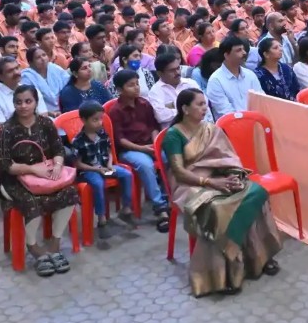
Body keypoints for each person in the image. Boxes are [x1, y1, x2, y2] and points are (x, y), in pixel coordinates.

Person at [162, 88, 283, 297]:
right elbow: (179, 172)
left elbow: (227, 158)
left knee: (256, 193)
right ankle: (224, 275)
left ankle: (260, 258)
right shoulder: (174, 135)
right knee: (218, 208)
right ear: (185, 109)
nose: (204, 108)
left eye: (205, 103)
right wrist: (212, 183)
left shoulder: (210, 129)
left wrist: (233, 176)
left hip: (219, 177)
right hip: (190, 185)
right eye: (199, 104)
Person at [0, 84, 80, 277]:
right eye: (18, 102)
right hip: (14, 180)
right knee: (31, 201)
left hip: (46, 176)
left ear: (36, 102)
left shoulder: (45, 123)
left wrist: (57, 165)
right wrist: (32, 169)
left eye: (28, 101)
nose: (23, 106)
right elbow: (4, 164)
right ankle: (33, 246)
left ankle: (55, 243)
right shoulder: (7, 130)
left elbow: (58, 149)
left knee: (69, 192)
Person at [108, 69, 171, 231]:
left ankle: (167, 197)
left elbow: (153, 127)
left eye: (137, 84)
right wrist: (142, 149)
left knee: (167, 157)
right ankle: (160, 208)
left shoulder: (144, 104)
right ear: (120, 90)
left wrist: (155, 143)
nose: (136, 88)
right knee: (145, 165)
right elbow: (120, 140)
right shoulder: (115, 111)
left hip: (149, 145)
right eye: (131, 85)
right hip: (129, 150)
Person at [68, 100, 136, 247]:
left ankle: (126, 209)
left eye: (101, 119)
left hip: (105, 166)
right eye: (95, 120)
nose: (99, 122)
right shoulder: (78, 141)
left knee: (127, 175)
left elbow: (109, 151)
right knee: (98, 184)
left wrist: (110, 164)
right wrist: (97, 169)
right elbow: (78, 164)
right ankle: (101, 219)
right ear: (84, 120)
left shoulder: (102, 133)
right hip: (88, 171)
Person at [205, 36, 265, 118]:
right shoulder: (215, 80)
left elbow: (261, 100)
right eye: (239, 50)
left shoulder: (250, 75)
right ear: (226, 55)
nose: (244, 53)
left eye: (243, 49)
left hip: (255, 121)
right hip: (231, 124)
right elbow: (226, 112)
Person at [146, 51, 206, 128]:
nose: (177, 72)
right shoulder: (155, 92)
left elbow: (204, 104)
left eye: (178, 68)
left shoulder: (190, 83)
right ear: (160, 73)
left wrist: (178, 109)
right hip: (175, 132)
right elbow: (161, 116)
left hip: (201, 127)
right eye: (172, 70)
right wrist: (190, 109)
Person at [0, 56, 47, 129]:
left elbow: (43, 117)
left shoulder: (33, 90)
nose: (16, 72)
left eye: (17, 68)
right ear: (0, 76)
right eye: (10, 71)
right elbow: (1, 130)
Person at [20, 46, 69, 114]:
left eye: (44, 55)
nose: (43, 59)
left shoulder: (55, 68)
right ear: (30, 62)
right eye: (38, 57)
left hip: (65, 108)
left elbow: (69, 85)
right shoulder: (26, 76)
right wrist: (49, 113)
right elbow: (29, 100)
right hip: (42, 113)